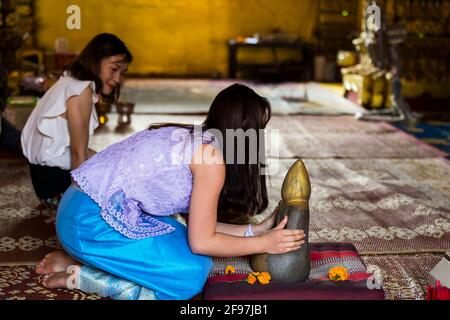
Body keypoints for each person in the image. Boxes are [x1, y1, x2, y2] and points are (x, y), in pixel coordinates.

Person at [35, 84, 306, 300]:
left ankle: (81, 255)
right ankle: (84, 274)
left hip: (84, 208)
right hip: (88, 221)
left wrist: (256, 230)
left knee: (181, 236)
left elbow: (201, 228)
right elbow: (203, 242)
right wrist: (264, 244)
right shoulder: (210, 160)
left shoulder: (197, 140)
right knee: (190, 273)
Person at [21, 33, 132, 210]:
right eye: (113, 69)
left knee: (117, 166)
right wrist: (76, 207)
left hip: (44, 184)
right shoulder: (81, 91)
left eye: (123, 72)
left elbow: (74, 148)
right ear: (96, 61)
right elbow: (77, 154)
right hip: (57, 190)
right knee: (128, 195)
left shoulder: (69, 81)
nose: (118, 79)